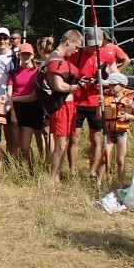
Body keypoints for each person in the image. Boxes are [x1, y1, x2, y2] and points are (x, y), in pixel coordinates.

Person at [68, 27, 118, 182]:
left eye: (96, 44)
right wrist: (79, 80)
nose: (93, 48)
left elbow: (116, 78)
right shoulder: (77, 53)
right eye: (90, 44)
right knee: (74, 138)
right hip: (78, 100)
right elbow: (68, 73)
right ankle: (72, 171)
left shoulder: (106, 55)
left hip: (96, 101)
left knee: (96, 138)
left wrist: (101, 81)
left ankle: (92, 171)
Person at [43, 30, 83, 183]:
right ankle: (53, 178)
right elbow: (59, 86)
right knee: (60, 144)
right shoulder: (54, 59)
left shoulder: (60, 59)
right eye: (77, 46)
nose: (76, 51)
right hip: (61, 105)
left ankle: (57, 174)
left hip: (68, 104)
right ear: (68, 42)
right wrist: (76, 86)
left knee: (64, 142)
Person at [96, 72, 134, 186]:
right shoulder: (104, 98)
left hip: (122, 132)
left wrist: (128, 116)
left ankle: (120, 184)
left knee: (121, 160)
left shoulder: (129, 100)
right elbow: (99, 116)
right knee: (105, 158)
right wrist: (99, 105)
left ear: (121, 86)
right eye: (109, 84)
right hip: (108, 132)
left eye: (113, 85)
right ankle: (98, 183)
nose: (109, 87)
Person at [8, 42, 45, 171]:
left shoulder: (37, 72)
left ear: (32, 55)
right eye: (23, 54)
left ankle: (32, 169)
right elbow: (9, 92)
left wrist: (12, 99)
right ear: (19, 55)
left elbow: (34, 96)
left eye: (28, 54)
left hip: (31, 109)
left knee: (25, 144)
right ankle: (20, 170)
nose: (25, 56)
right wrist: (12, 110)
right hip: (16, 108)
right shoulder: (14, 72)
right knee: (16, 143)